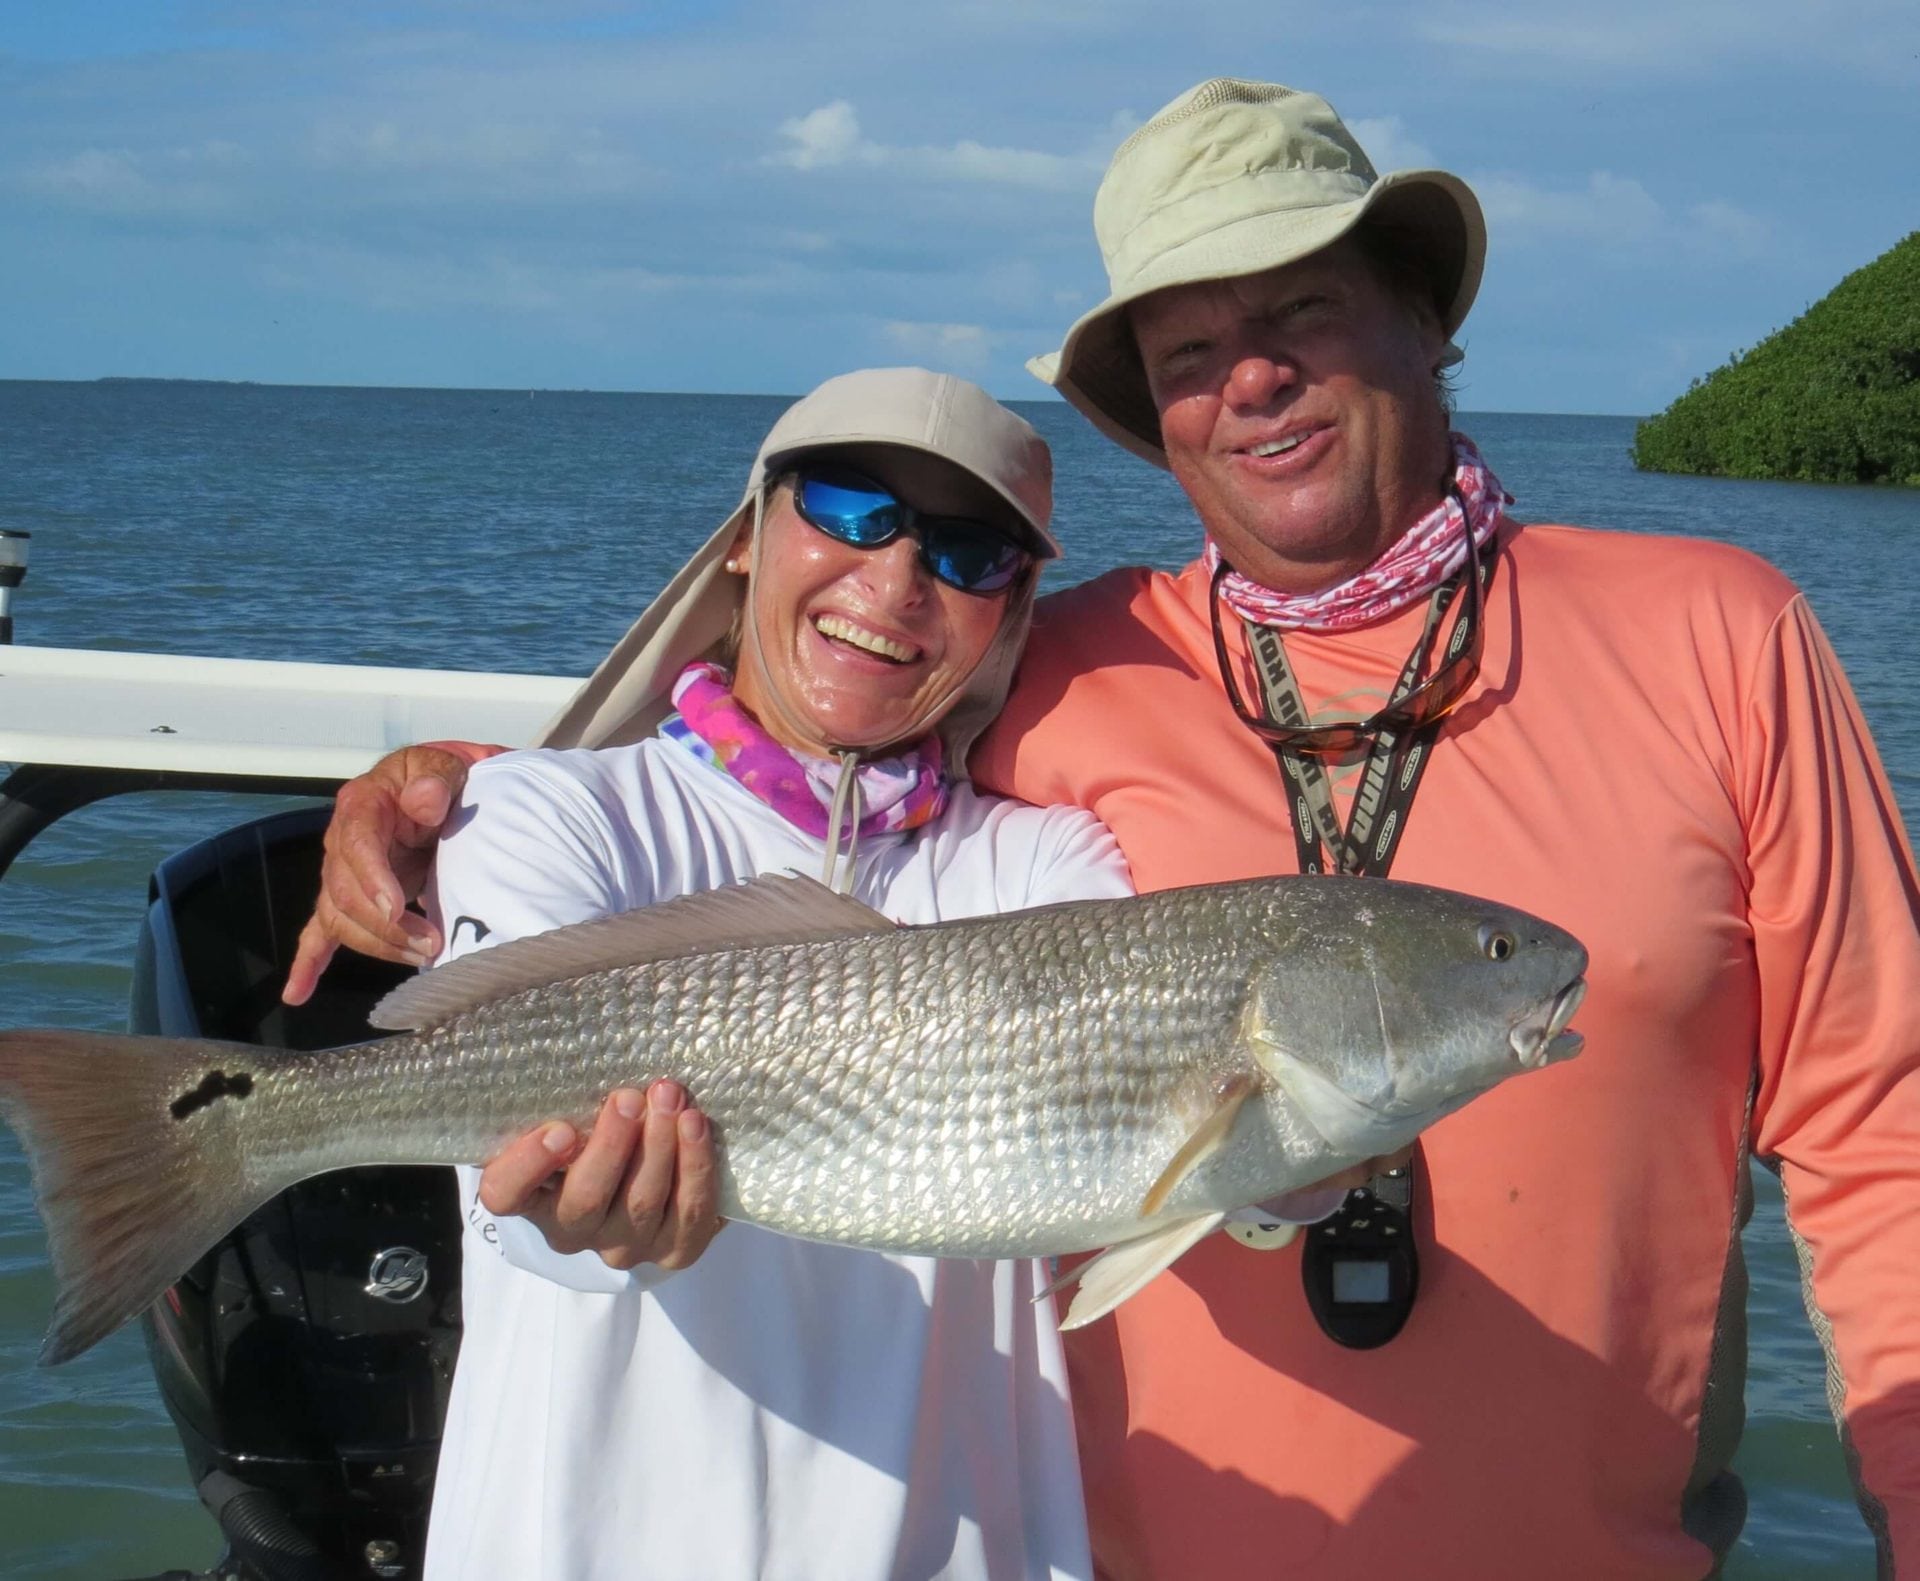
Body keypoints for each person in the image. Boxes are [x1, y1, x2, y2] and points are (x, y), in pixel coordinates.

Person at [288, 82, 1920, 1580]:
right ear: (1155, 413)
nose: (1252, 375)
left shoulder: (1723, 636)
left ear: (1427, 319)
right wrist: (439, 787)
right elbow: (801, 735)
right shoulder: (1065, 660)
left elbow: (1888, 1135)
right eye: (1190, 350)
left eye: (1303, 307)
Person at [400, 367, 1141, 1581]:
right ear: (745, 540)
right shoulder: (550, 809)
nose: (896, 580)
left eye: (967, 554)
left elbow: (1157, 1137)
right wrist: (564, 1213)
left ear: (1013, 612)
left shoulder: (1045, 860)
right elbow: (513, 1190)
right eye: (850, 509)